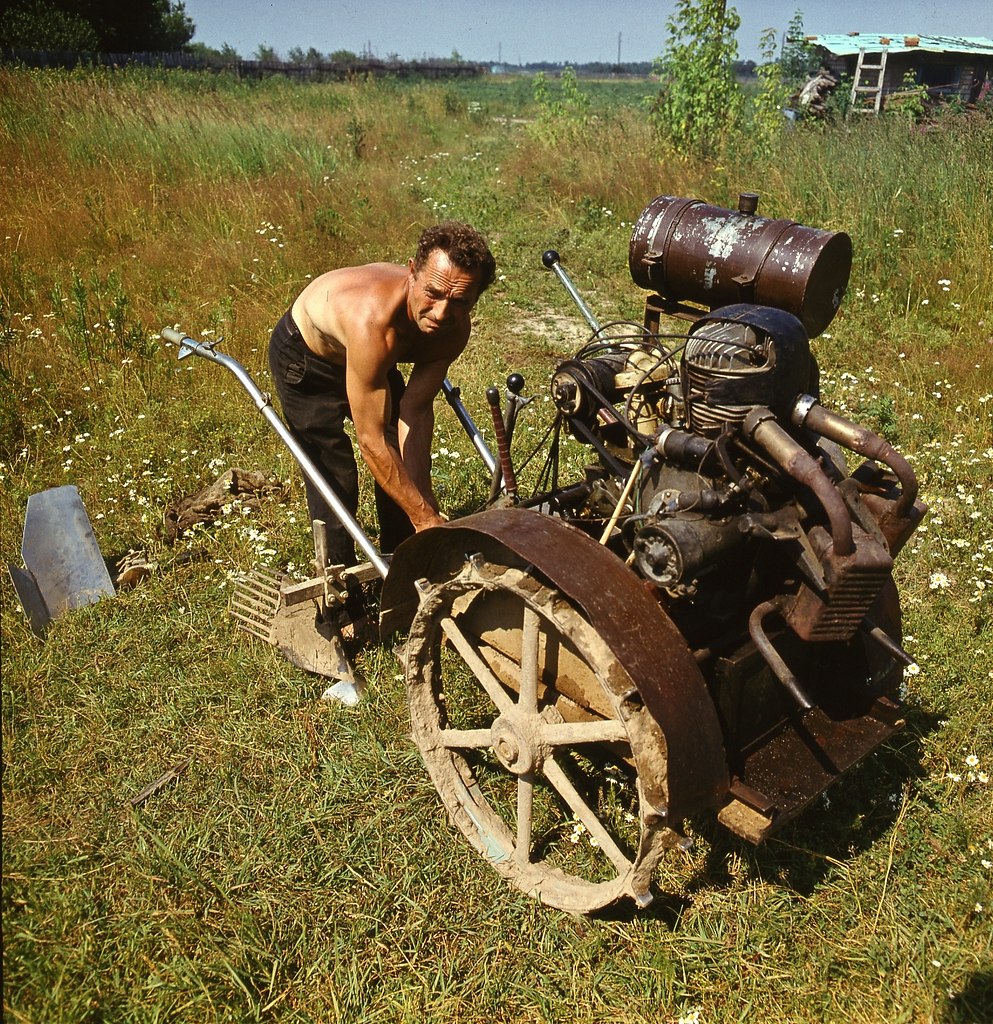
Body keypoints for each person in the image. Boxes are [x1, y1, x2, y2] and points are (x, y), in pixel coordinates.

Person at [267, 221, 496, 570]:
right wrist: (425, 516)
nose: (441, 313)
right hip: (307, 356)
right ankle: (339, 591)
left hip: (372, 359)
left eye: (459, 301)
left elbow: (415, 412)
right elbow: (370, 441)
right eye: (432, 293)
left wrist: (425, 509)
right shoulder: (373, 322)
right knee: (333, 470)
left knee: (399, 463)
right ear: (412, 273)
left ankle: (403, 559)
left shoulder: (453, 329)